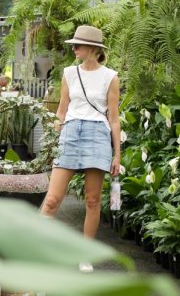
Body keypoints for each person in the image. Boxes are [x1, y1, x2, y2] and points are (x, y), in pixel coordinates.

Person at [40, 25, 121, 272]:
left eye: (78, 44)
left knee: (92, 200)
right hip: (71, 132)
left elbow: (114, 118)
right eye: (73, 44)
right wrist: (52, 142)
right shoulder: (69, 73)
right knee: (52, 200)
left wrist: (117, 154)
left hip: (98, 135)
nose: (73, 48)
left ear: (94, 48)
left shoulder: (110, 77)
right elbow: (61, 111)